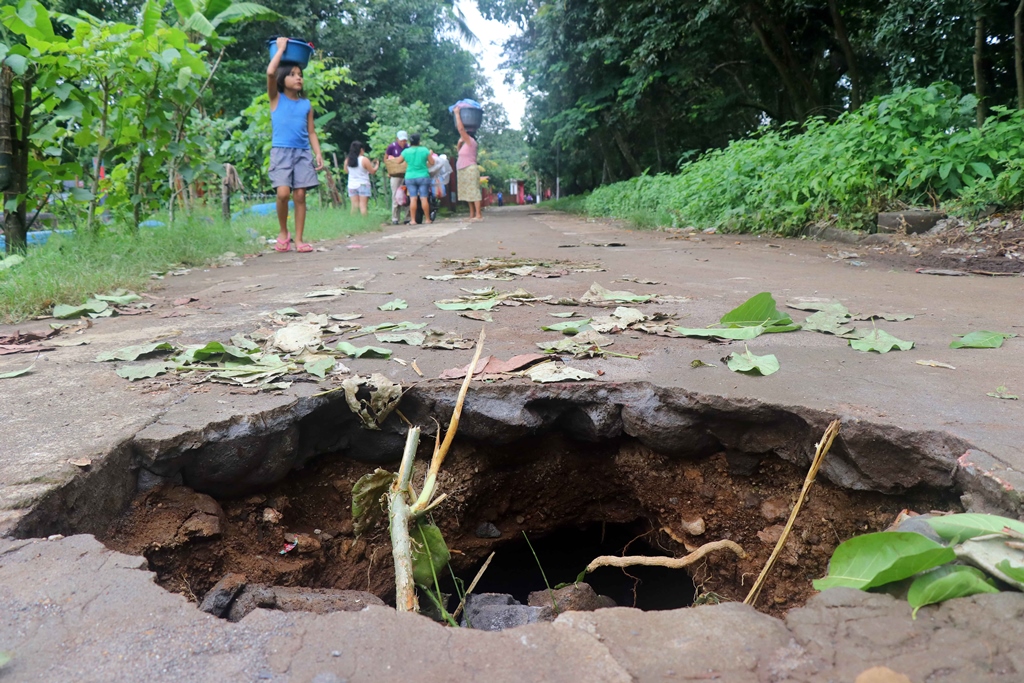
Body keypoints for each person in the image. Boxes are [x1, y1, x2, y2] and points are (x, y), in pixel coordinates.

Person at [267, 36, 323, 253]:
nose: (298, 77)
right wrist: (281, 49)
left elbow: (311, 132)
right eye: (292, 74)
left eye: (300, 74)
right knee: (283, 193)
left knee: (300, 195)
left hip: (302, 153)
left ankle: (299, 240)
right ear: (283, 79)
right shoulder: (276, 98)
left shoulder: (306, 104)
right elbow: (270, 73)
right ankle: (284, 232)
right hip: (281, 152)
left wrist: (318, 153)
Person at [400, 133, 436, 224]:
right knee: (424, 198)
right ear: (419, 141)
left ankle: (413, 220)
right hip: (423, 176)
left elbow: (398, 161)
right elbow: (432, 162)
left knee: (413, 198)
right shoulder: (424, 150)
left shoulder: (406, 151)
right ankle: (427, 219)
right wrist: (429, 155)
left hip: (410, 177)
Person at [454, 105, 482, 221]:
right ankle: (472, 215)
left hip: (470, 168)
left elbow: (461, 129)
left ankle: (478, 215)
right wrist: (459, 143)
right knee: (467, 193)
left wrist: (457, 114)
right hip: (462, 168)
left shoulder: (471, 142)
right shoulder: (466, 144)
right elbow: (459, 153)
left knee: (473, 191)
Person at [344, 140, 378, 216]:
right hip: (363, 184)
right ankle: (364, 222)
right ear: (361, 149)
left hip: (352, 185)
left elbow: (346, 171)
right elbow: (372, 171)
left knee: (354, 206)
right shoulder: (364, 159)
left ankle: (353, 221)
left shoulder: (348, 160)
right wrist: (376, 166)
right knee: (363, 206)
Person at [385, 130, 409, 225]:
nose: (403, 142)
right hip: (395, 174)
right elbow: (386, 158)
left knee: (407, 196)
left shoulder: (408, 147)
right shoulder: (392, 147)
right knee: (395, 195)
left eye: (404, 140)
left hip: (406, 174)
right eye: (401, 140)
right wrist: (389, 170)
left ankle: (407, 217)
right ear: (397, 139)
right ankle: (395, 218)